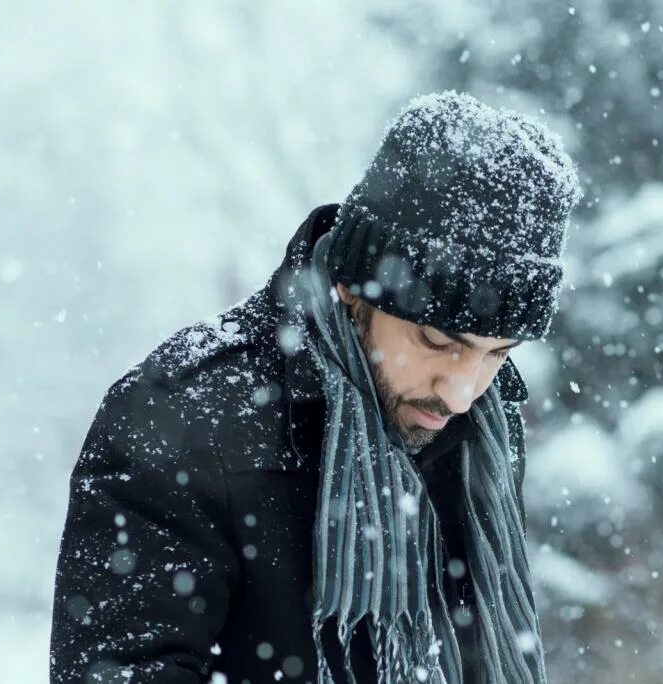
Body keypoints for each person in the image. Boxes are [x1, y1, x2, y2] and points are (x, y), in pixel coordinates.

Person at [50, 90, 582, 683]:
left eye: (497, 354)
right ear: (353, 289)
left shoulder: (479, 428)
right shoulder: (180, 423)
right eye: (437, 341)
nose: (461, 392)